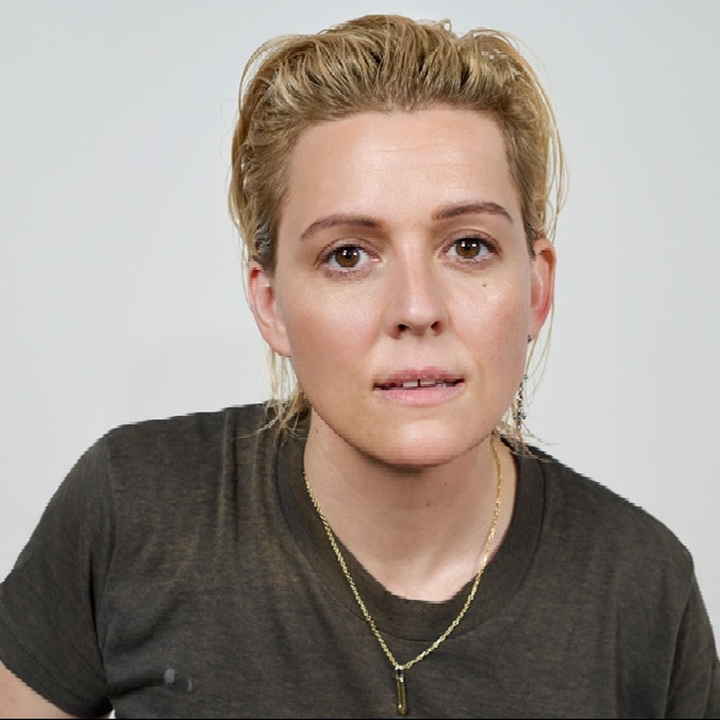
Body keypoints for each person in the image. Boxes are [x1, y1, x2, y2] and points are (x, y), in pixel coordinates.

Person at [0, 13, 718, 718]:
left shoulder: (645, 588)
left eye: (469, 247)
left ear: (536, 289)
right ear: (272, 305)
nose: (417, 308)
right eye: (348, 255)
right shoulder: (133, 507)